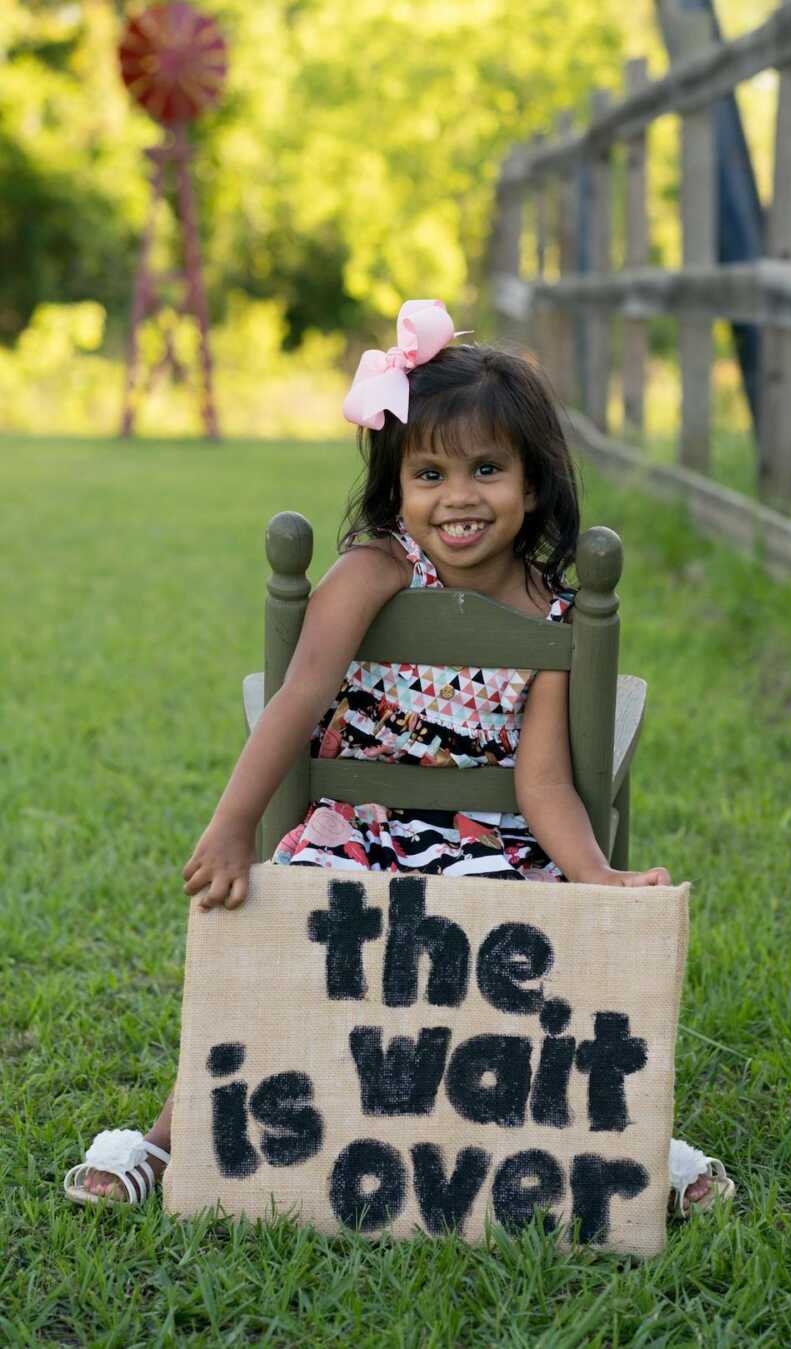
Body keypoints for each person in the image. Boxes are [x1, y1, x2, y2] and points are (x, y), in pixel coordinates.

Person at [65, 300, 734, 1217]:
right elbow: (299, 695)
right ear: (398, 484)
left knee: (551, 991)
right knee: (275, 948)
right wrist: (231, 829)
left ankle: (628, 1142)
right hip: (358, 833)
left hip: (486, 844)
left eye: (487, 469)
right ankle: (165, 1136)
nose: (458, 497)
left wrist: (592, 875)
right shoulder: (376, 568)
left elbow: (540, 780)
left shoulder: (551, 614)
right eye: (430, 472)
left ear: (533, 484)